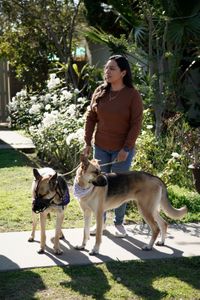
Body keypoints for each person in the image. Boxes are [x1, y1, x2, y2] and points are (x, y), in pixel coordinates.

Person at [83, 54, 143, 237]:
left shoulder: (132, 95)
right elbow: (91, 118)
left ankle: (119, 222)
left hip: (122, 149)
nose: (107, 72)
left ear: (123, 73)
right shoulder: (100, 91)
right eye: (106, 68)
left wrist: (126, 148)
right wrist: (87, 142)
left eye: (112, 69)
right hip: (100, 146)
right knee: (99, 185)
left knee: (120, 187)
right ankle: (100, 222)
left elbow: (136, 124)